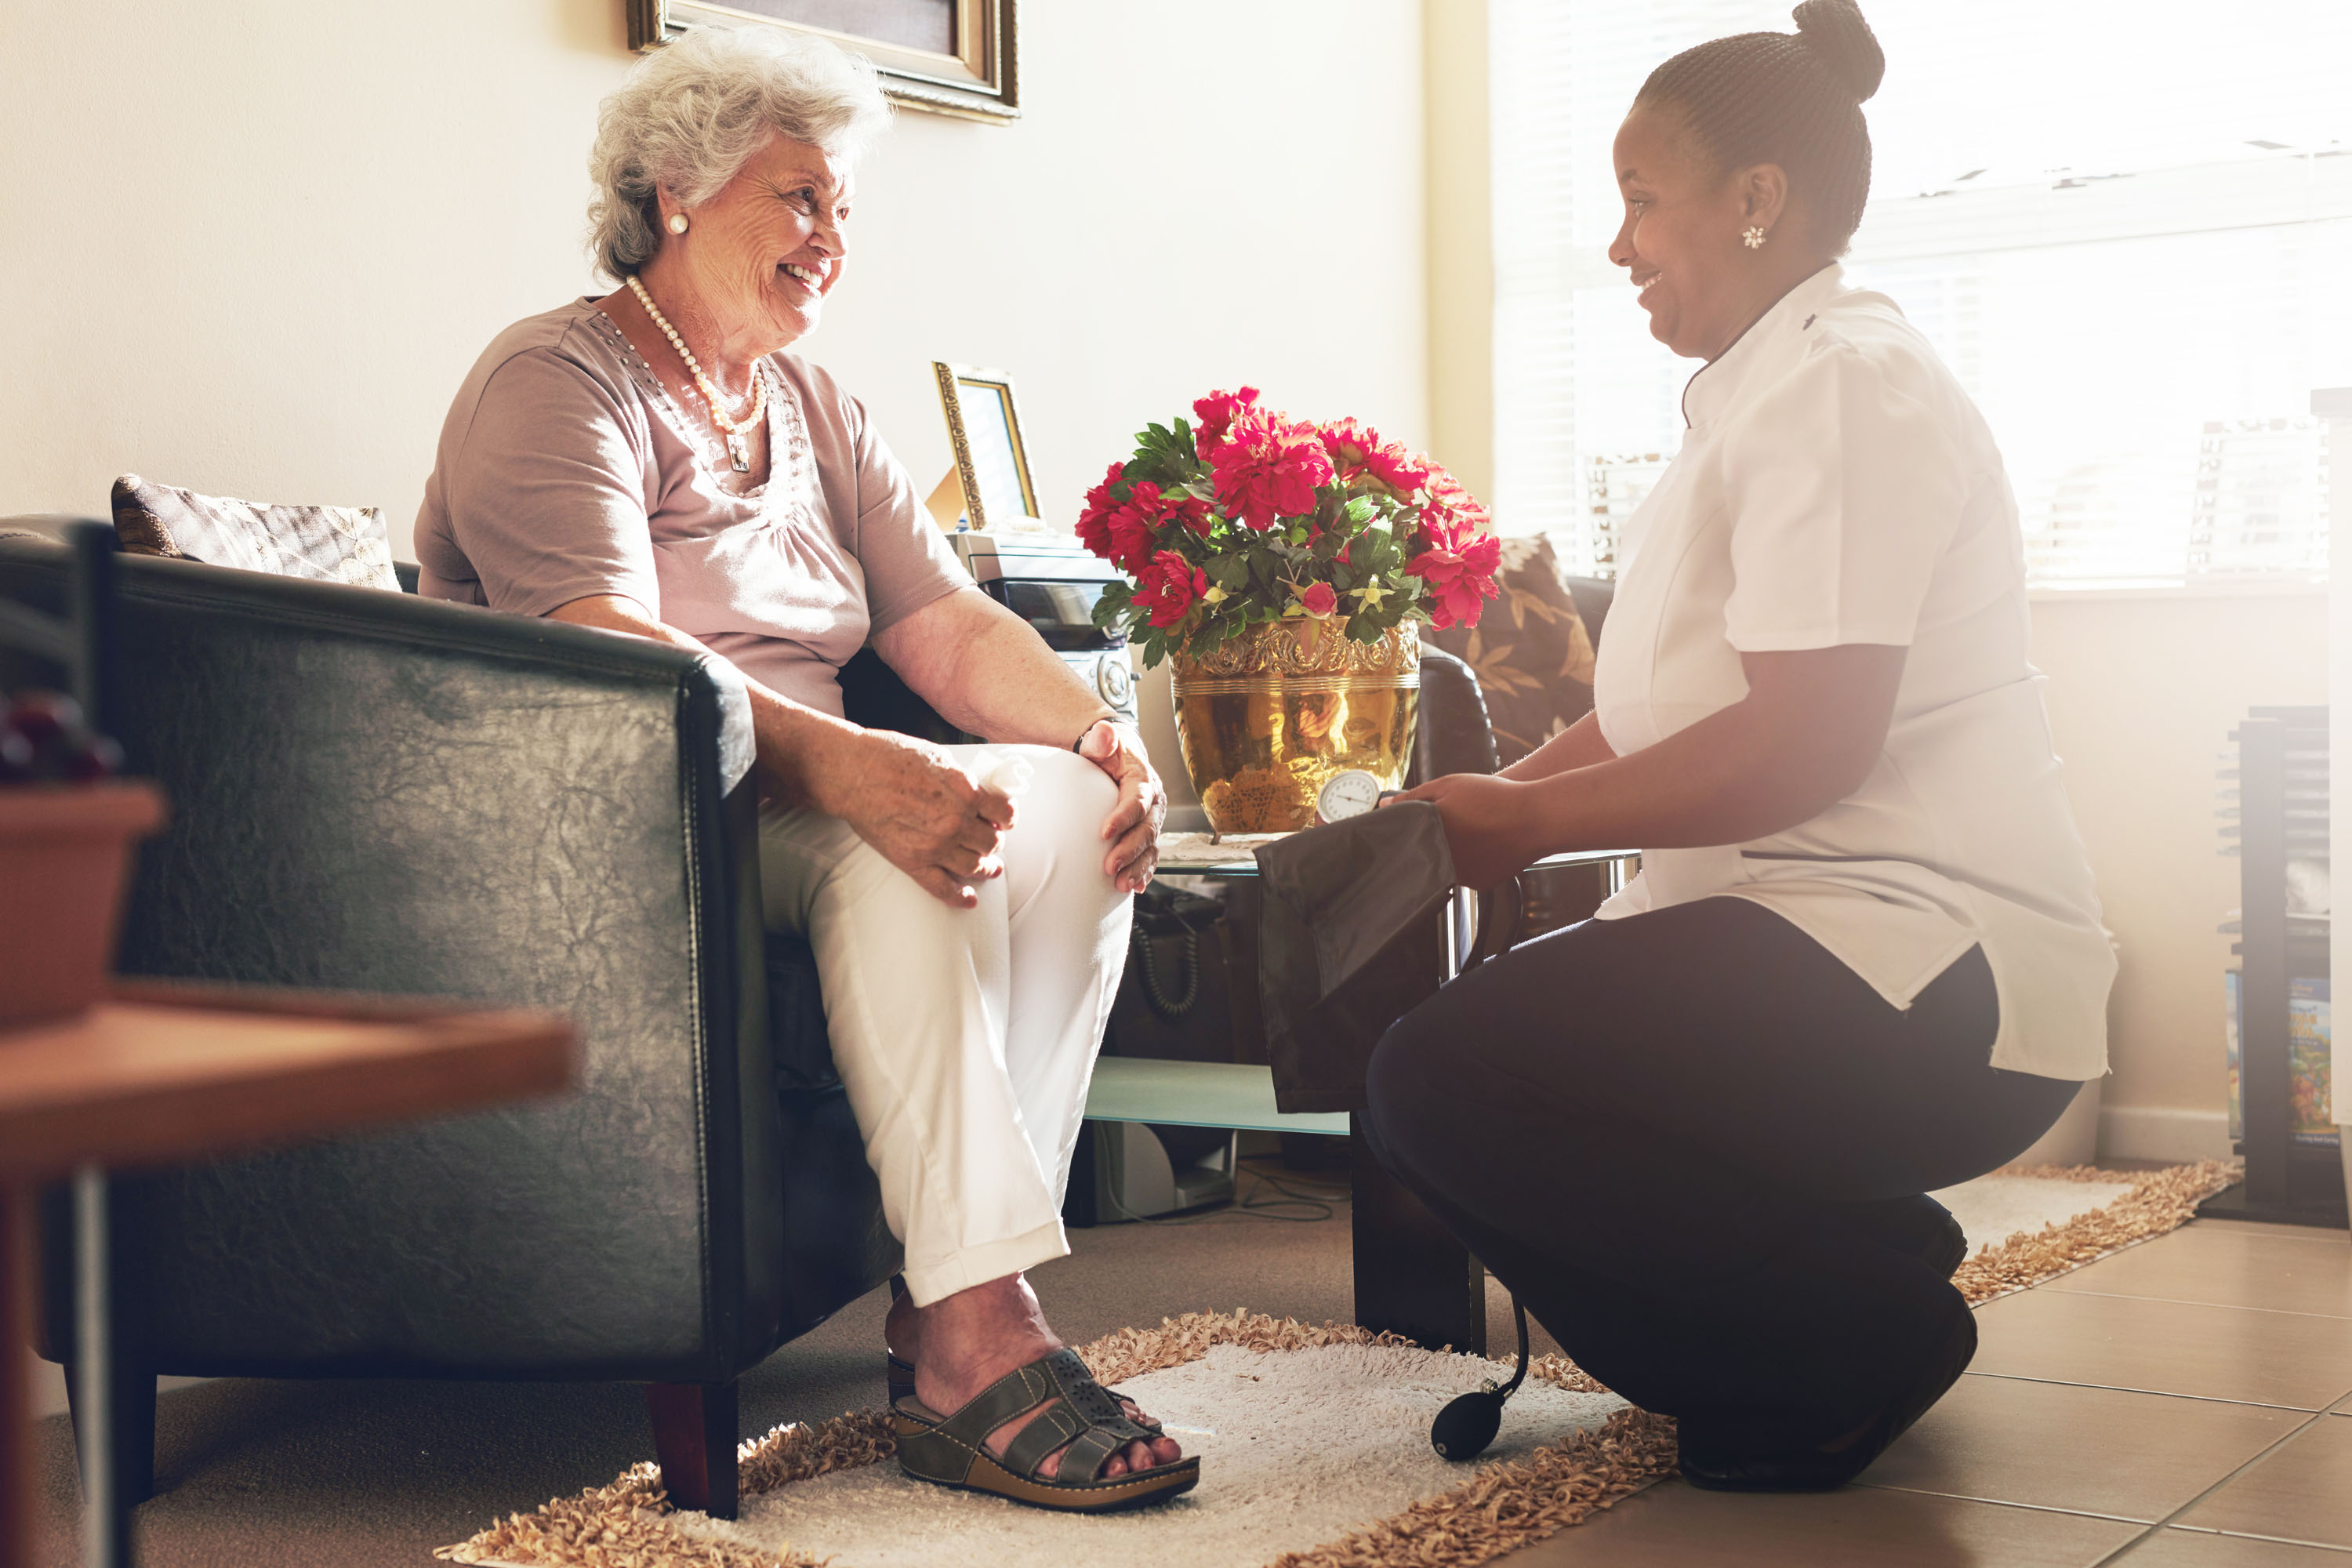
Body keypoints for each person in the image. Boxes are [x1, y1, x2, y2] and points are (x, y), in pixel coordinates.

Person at [412, 26, 1195, 1512]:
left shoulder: (814, 404)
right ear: (676, 191)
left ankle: (959, 1294)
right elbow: (611, 657)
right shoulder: (555, 381)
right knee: (895, 848)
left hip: (797, 770)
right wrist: (859, 774)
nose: (832, 240)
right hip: (621, 812)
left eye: (844, 209)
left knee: (1077, 816)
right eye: (799, 199)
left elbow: (942, 619)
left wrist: (1100, 738)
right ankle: (977, 1339)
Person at [1363, 0, 2112, 1491]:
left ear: (1757, 202)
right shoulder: (1766, 392)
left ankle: (1845, 1335)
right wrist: (1504, 793)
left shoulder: (1842, 386)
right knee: (1451, 1068)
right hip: (1828, 935)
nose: (1623, 244)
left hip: (1927, 963)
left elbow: (1807, 745)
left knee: (1447, 1081)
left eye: (1645, 202)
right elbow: (1669, 712)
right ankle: (1863, 1259)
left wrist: (1518, 831)